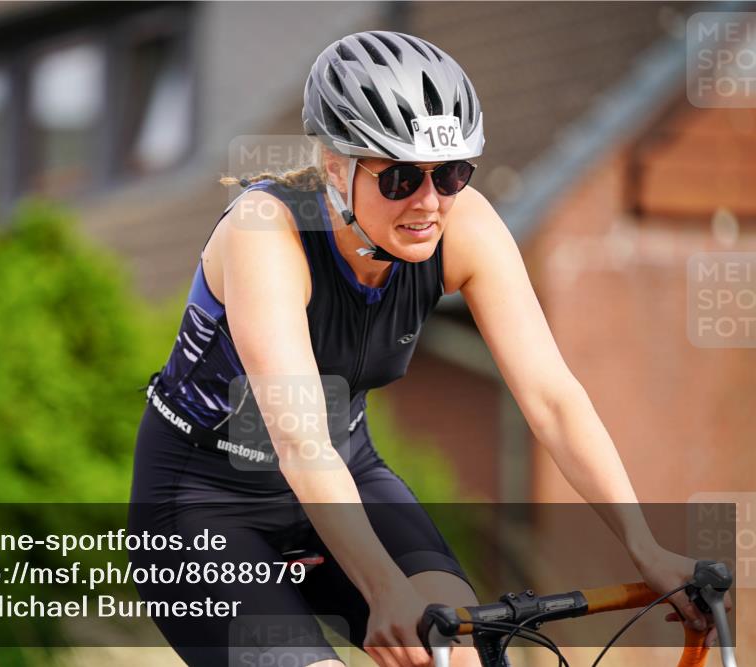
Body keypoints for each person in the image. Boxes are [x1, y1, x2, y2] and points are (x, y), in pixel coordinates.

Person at [128, 31, 724, 667]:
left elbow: (552, 398)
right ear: (336, 167)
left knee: (456, 658)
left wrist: (644, 545)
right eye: (403, 177)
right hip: (204, 503)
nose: (430, 201)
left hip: (349, 473)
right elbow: (301, 439)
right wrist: (383, 589)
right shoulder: (266, 235)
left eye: (452, 174)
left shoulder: (463, 225)